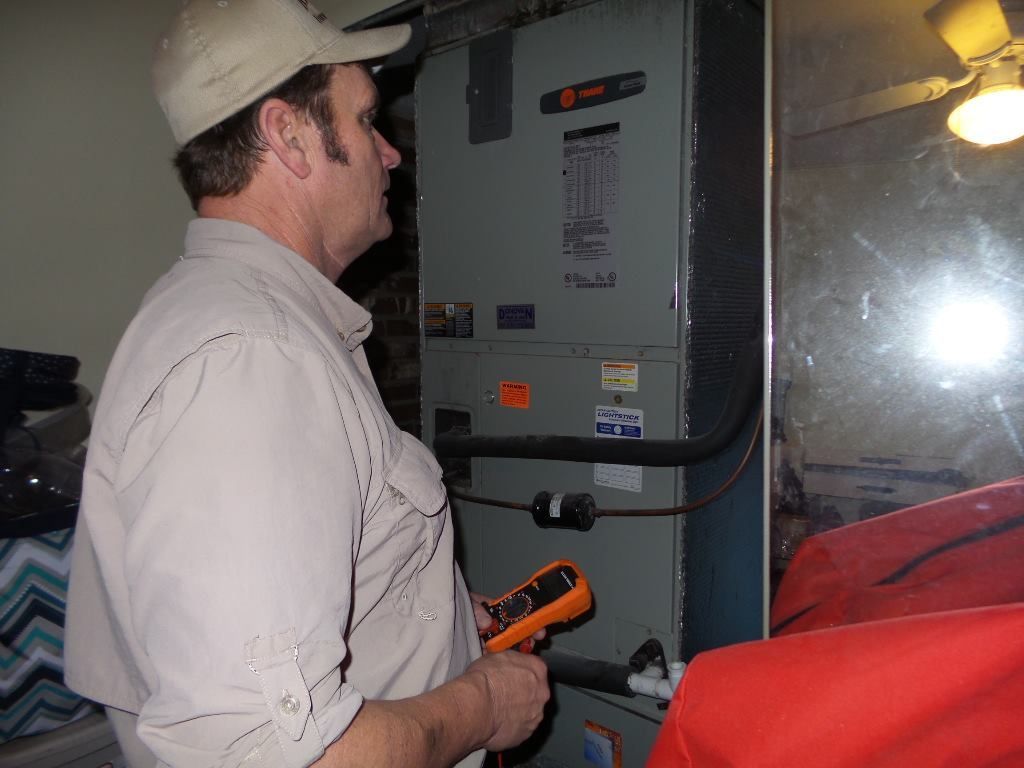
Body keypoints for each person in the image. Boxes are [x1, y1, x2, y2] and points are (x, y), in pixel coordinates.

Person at [64, 1, 549, 766]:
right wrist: (483, 706)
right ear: (289, 136)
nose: (390, 153)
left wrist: (437, 616)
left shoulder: (239, 325)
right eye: (365, 121)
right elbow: (269, 753)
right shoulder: (249, 363)